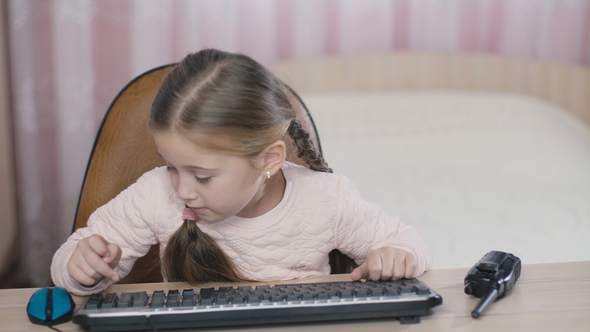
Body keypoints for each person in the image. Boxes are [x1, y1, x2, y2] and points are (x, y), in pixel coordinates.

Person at [51, 49, 432, 296]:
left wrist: (399, 255)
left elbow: (406, 242)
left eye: (202, 177)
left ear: (269, 160)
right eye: (171, 167)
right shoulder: (156, 195)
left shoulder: (326, 199)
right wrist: (78, 267)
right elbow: (75, 253)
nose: (183, 190)